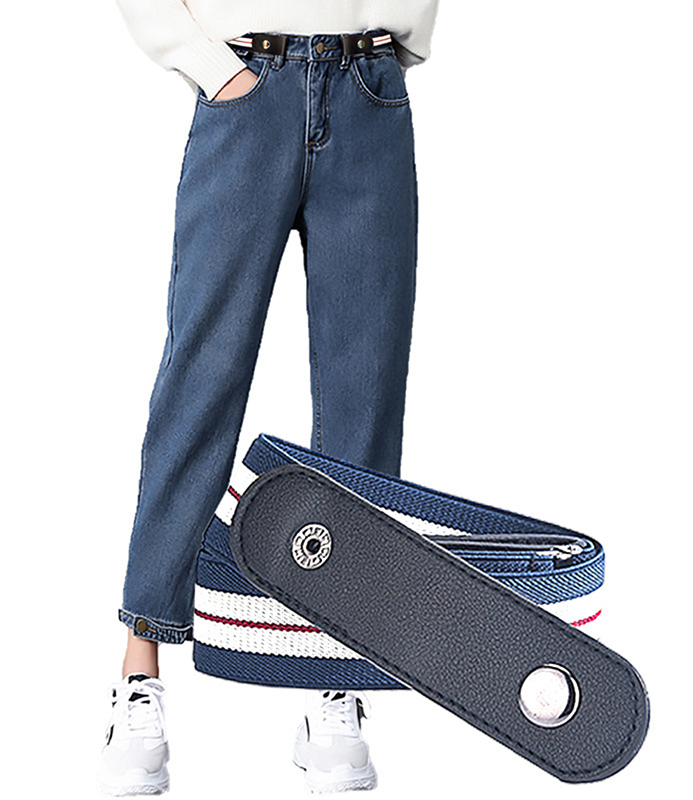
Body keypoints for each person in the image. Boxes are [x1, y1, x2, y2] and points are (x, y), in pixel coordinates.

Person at [99, 2, 441, 795]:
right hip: (246, 86)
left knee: (365, 395)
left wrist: (394, 35)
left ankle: (336, 682)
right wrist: (211, 66)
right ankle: (139, 671)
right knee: (201, 381)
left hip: (368, 90)